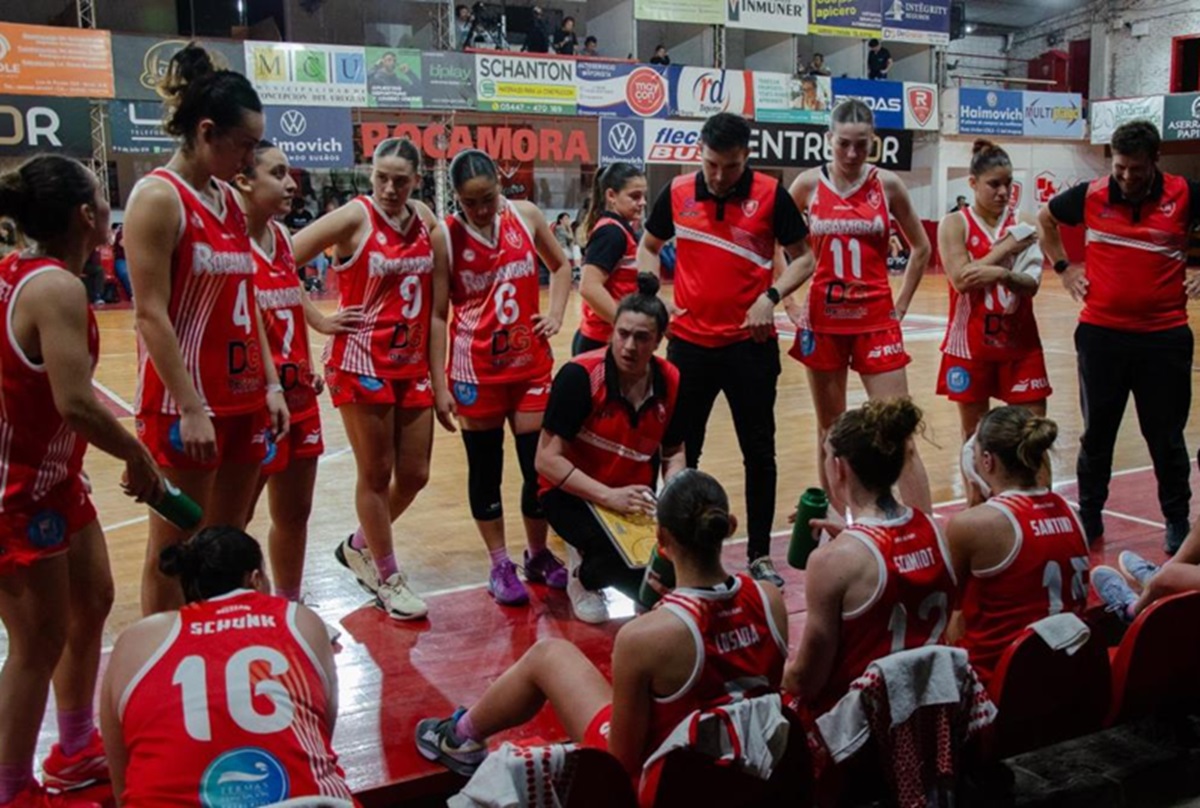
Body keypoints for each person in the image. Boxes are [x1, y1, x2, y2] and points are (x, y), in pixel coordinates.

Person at [415, 470, 788, 795]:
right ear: (730, 526)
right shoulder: (769, 599)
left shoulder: (646, 637)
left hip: (663, 786)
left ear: (660, 539)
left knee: (549, 655)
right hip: (747, 777)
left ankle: (458, 738)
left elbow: (620, 760)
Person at [0, 155, 163, 807]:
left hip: (53, 480)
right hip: (17, 493)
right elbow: (75, 403)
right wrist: (136, 454)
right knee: (35, 642)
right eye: (101, 196)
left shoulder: (25, 274)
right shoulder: (54, 287)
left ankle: (73, 749)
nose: (106, 207)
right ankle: (12, 789)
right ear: (85, 215)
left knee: (92, 598)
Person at [125, 43, 287, 615]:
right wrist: (191, 406)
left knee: (226, 539)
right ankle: (162, 656)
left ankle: (216, 644)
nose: (249, 158)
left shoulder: (228, 201)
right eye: (243, 144)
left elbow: (247, 298)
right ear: (207, 132)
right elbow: (150, 314)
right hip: (185, 405)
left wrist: (271, 383)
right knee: (174, 550)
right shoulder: (157, 198)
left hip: (242, 397)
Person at [637, 112, 815, 588]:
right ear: (700, 153)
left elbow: (805, 259)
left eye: (731, 166)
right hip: (689, 347)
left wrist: (771, 297)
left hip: (748, 348)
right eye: (711, 164)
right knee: (680, 452)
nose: (718, 176)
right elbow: (649, 245)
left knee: (759, 453)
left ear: (746, 157)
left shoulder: (771, 195)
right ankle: (679, 553)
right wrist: (653, 295)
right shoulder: (678, 192)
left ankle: (759, 554)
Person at [292, 138, 442, 621]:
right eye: (381, 177)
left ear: (416, 179)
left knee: (415, 475)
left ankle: (359, 545)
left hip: (411, 363)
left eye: (400, 180)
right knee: (376, 474)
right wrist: (319, 319)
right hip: (361, 361)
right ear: (370, 174)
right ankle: (387, 576)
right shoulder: (354, 217)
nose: (390, 188)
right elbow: (279, 258)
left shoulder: (424, 218)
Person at [99, 526, 354, 807]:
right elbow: (321, 733)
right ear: (256, 580)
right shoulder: (300, 620)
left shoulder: (138, 639)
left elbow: (123, 780)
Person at [1039, 120, 1200, 552]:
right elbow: (1046, 219)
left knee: (1166, 438)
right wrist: (1063, 268)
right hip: (1101, 337)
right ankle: (1090, 516)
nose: (1126, 177)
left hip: (1164, 338)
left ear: (1156, 161)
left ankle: (1176, 520)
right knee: (1098, 434)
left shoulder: (1185, 193)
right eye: (1120, 168)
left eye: (1136, 169)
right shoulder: (1091, 195)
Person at [435, 149, 572, 607]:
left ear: (499, 183)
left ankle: (537, 554)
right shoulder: (446, 236)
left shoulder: (526, 215)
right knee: (486, 470)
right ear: (457, 198)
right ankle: (499, 564)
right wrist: (439, 384)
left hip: (529, 365)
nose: (480, 209)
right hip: (474, 371)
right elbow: (438, 314)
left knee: (538, 468)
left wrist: (556, 314)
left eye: (487, 198)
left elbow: (562, 266)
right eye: (469, 202)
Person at [787, 100, 933, 517]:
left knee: (898, 431)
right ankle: (840, 526)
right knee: (831, 433)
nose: (852, 154)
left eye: (861, 145)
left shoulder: (888, 185)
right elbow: (774, 242)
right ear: (828, 140)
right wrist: (789, 299)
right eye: (844, 144)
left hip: (875, 321)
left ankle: (923, 531)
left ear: (874, 142)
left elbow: (921, 247)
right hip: (823, 322)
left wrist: (900, 306)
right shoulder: (806, 185)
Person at [783, 398, 954, 713]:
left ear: (839, 468)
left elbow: (806, 680)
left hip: (865, 722)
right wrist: (852, 537)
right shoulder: (939, 532)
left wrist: (766, 670)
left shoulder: (831, 562)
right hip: (934, 708)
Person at [536, 275, 685, 622]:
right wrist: (607, 496)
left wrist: (672, 496)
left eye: (642, 337)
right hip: (572, 494)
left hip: (632, 499)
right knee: (615, 567)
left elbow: (674, 451)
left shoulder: (671, 380)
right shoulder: (578, 376)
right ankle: (581, 572)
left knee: (665, 578)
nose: (629, 346)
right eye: (623, 334)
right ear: (611, 332)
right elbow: (545, 461)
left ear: (659, 340)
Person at [235, 142, 330, 604]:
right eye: (277, 174)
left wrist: (318, 327)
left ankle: (289, 606)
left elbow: (289, 294)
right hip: (255, 402)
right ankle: (231, 611)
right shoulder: (229, 245)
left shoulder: (282, 238)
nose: (291, 184)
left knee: (294, 514)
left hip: (298, 397)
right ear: (243, 181)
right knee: (235, 519)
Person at [937, 140, 1050, 497]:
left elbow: (1031, 285)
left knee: (1033, 434)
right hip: (970, 345)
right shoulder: (954, 223)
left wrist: (999, 274)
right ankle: (976, 508)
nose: (1003, 192)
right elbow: (961, 280)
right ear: (972, 183)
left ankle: (1040, 509)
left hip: (1020, 343)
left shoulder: (1025, 222)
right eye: (994, 184)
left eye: (1008, 183)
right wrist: (1005, 250)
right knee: (974, 438)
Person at [945, 407, 1089, 686]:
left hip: (999, 683)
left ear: (987, 461)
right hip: (1069, 673)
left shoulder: (972, 525)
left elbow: (943, 606)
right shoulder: (1072, 512)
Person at [575, 162, 647, 355]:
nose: (643, 202)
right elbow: (589, 287)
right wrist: (627, 326)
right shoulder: (612, 233)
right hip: (602, 341)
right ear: (611, 196)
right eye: (635, 196)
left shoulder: (619, 228)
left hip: (605, 338)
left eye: (643, 196)